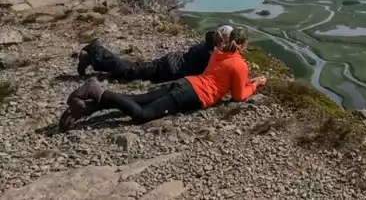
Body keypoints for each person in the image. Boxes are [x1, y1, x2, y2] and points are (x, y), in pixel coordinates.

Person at [59, 27, 266, 131]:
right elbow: (238, 96)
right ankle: (95, 88)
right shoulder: (236, 62)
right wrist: (254, 84)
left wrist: (244, 81)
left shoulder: (217, 54)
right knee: (141, 113)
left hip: (184, 83)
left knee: (137, 98)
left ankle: (87, 107)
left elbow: (223, 75)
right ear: (242, 45)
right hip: (188, 91)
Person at [76, 28, 223, 83]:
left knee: (135, 68)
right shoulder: (210, 54)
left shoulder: (207, 44)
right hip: (171, 68)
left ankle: (92, 59)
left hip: (171, 62)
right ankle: (97, 50)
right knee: (131, 71)